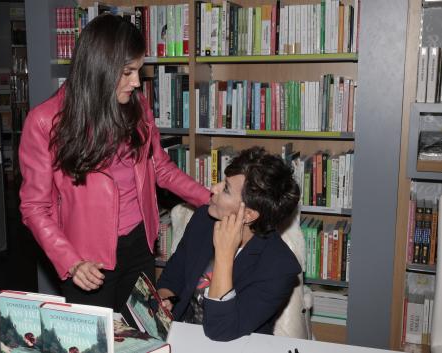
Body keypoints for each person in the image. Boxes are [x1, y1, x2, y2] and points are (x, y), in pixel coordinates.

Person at [19, 13, 209, 314]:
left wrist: (210, 200)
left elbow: (159, 167)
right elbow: (34, 207)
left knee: (142, 335)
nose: (136, 82)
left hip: (140, 246)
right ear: (100, 69)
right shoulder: (45, 122)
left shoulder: (137, 107)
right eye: (127, 72)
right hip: (88, 262)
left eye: (138, 71)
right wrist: (70, 261)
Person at [156, 146, 302, 341]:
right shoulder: (203, 220)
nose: (213, 188)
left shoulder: (279, 268)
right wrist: (165, 301)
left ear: (249, 214)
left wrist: (224, 256)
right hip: (184, 335)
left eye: (225, 189)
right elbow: (171, 279)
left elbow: (221, 330)